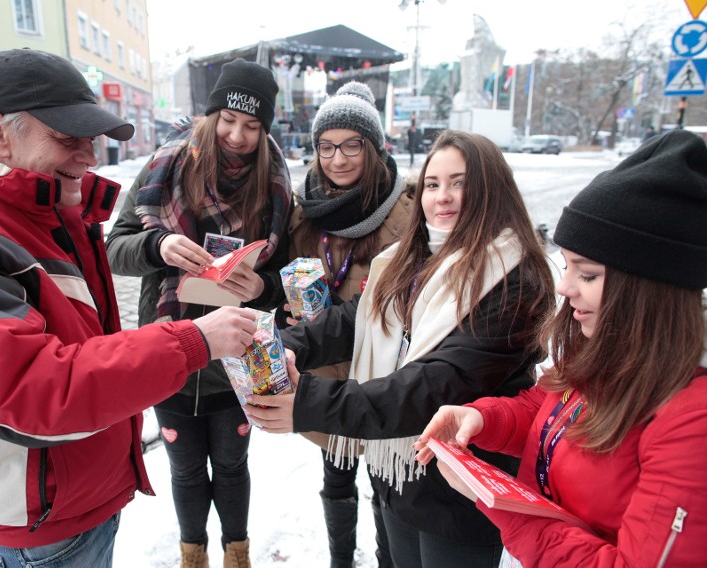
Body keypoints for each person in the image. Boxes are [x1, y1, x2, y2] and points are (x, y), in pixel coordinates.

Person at [0, 48, 259, 568]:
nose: (90, 156)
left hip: (77, 494)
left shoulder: (47, 206)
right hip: (38, 523)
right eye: (65, 137)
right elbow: (32, 391)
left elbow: (81, 346)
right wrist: (193, 337)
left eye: (91, 138)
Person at [249, 129, 555, 567]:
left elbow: (436, 384)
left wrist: (307, 401)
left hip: (456, 491)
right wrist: (279, 346)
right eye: (432, 184)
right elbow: (353, 320)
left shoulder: (512, 280)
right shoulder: (409, 259)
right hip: (397, 471)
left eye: (459, 182)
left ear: (492, 189)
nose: (442, 197)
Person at [414, 129, 707, 567]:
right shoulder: (603, 348)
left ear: (648, 288)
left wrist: (502, 506)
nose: (565, 287)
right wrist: (481, 417)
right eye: (567, 266)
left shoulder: (692, 424)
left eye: (587, 275)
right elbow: (547, 410)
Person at [105, 58, 292, 568]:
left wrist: (264, 285)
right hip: (172, 352)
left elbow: (294, 274)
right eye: (228, 120)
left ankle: (238, 554)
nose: (236, 135)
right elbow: (114, 248)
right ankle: (194, 555)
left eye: (252, 126)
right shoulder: (165, 166)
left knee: (233, 467)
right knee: (185, 471)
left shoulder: (275, 184)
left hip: (238, 357)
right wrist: (158, 245)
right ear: (211, 115)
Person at [282, 81, 414, 568]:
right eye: (327, 146)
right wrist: (291, 311)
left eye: (351, 145)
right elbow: (289, 277)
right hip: (326, 371)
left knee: (386, 484)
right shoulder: (305, 212)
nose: (337, 159)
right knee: (336, 474)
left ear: (374, 148)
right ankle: (341, 560)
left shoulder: (406, 212)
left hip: (383, 373)